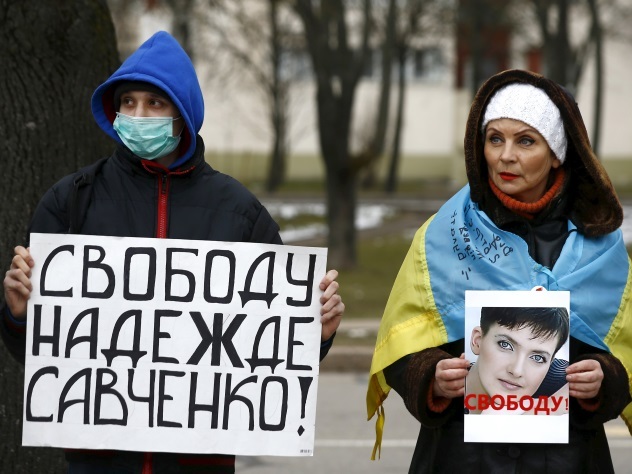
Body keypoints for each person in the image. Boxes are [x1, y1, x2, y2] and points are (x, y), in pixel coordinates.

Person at [1, 31, 345, 474]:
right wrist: (18, 315)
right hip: (99, 461)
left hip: (198, 462)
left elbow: (268, 357)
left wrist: (316, 333)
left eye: (155, 103)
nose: (138, 115)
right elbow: (42, 354)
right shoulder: (71, 201)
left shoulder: (240, 212)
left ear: (183, 113)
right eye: (128, 102)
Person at [367, 69, 632, 473]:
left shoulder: (601, 245)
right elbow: (403, 345)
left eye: (525, 141)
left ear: (556, 152)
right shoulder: (441, 235)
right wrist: (431, 377)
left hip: (568, 460)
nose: (505, 156)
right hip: (460, 459)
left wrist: (602, 380)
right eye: (495, 139)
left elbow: (622, 357)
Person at [466, 306, 570, 414]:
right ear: (477, 341)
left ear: (550, 363)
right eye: (505, 345)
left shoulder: (559, 384)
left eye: (537, 358)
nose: (516, 371)